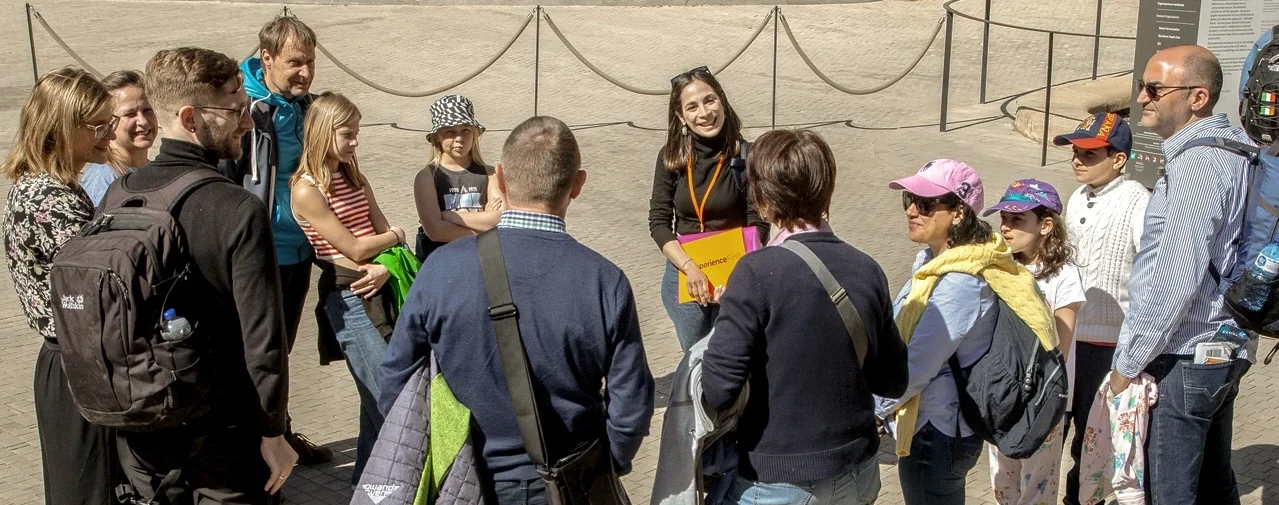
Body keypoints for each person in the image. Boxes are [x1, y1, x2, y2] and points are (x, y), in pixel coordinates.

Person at [381, 116, 655, 504]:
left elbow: (397, 378)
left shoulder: (441, 269)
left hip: (466, 482)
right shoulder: (605, 280)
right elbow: (632, 403)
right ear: (578, 185)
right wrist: (606, 464)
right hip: (568, 481)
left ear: (501, 179)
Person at [112, 46, 296, 504]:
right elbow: (263, 338)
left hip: (143, 429)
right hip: (223, 435)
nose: (247, 123)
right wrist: (273, 432)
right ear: (190, 118)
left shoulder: (120, 195)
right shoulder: (236, 207)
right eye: (235, 110)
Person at [701, 129, 909, 505]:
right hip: (857, 472)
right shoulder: (867, 269)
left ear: (764, 200)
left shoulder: (754, 273)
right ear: (826, 190)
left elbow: (718, 388)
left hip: (779, 480)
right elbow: (893, 380)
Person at [1112, 44, 1255, 504]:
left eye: (1154, 89)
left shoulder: (1198, 164)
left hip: (1186, 355)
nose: (1142, 98)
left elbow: (1176, 277)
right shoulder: (1236, 151)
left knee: (1169, 493)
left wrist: (1128, 363)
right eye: (1142, 86)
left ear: (1197, 97)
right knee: (1214, 487)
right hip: (1224, 349)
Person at [2, 67, 119, 505]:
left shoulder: (57, 186)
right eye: (99, 126)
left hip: (77, 361)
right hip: (77, 366)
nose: (110, 134)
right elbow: (104, 286)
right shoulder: (48, 201)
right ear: (62, 128)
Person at [219, 15, 330, 464]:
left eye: (310, 62)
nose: (305, 72)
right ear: (266, 58)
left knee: (280, 351)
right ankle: (251, 447)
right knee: (256, 353)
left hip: (300, 248)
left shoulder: (308, 106)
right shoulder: (244, 109)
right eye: (295, 62)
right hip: (259, 251)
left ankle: (277, 432)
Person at [290, 92, 406, 483]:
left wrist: (385, 263)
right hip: (348, 296)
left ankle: (367, 486)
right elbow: (355, 247)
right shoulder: (306, 190)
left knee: (376, 402)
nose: (355, 142)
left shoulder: (354, 176)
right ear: (323, 132)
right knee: (390, 398)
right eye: (347, 134)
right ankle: (393, 485)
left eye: (357, 133)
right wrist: (396, 236)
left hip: (381, 285)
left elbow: (378, 233)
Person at [1054, 112, 1149, 505]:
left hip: (1107, 347)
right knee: (1051, 430)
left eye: (1090, 154)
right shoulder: (1076, 197)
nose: (1078, 160)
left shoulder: (1138, 201)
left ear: (1119, 159)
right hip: (1067, 338)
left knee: (1092, 441)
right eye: (1076, 152)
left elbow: (1150, 272)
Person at [648, 66, 769, 352]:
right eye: (692, 107)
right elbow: (659, 222)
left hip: (735, 274)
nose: (704, 113)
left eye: (710, 100)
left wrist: (735, 275)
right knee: (696, 361)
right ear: (681, 117)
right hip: (686, 274)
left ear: (722, 101)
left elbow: (759, 223)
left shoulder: (747, 155)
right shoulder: (671, 158)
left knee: (735, 358)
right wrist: (690, 267)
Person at [984, 179, 1086, 505]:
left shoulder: (1063, 276)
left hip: (1042, 398)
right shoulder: (1000, 269)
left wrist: (1036, 393)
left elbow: (1061, 346)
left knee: (1037, 488)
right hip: (1001, 394)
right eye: (1004, 218)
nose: (1005, 227)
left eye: (1017, 219)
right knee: (1003, 483)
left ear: (1045, 225)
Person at [412, 94, 503, 262]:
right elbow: (435, 230)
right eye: (450, 132)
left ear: (475, 133)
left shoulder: (489, 174)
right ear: (437, 136)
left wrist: (450, 216)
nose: (459, 138)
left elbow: (500, 219)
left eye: (465, 130)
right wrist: (483, 223)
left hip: (482, 260)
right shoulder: (427, 177)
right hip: (440, 260)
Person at [80, 69, 157, 205]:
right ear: (109, 121)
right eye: (130, 114)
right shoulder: (103, 179)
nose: (143, 121)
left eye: (147, 110)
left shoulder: (155, 172)